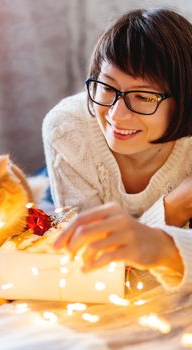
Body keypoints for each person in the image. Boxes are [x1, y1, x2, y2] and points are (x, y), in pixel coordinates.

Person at [42, 8, 192, 292]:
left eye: (144, 96)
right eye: (107, 88)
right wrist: (175, 206)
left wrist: (152, 240)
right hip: (82, 161)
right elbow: (97, 260)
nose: (116, 114)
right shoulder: (67, 129)